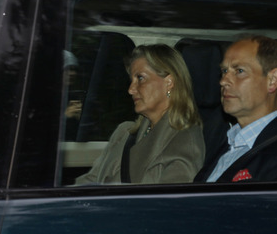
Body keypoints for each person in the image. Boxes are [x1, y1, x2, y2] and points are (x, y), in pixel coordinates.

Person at [76, 44, 205, 185]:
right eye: (131, 80)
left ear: (169, 82)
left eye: (140, 78)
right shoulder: (123, 133)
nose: (131, 89)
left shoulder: (184, 141)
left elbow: (168, 204)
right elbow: (89, 182)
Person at [194, 35, 277, 182]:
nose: (223, 81)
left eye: (239, 71)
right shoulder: (224, 139)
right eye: (224, 71)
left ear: (273, 80)